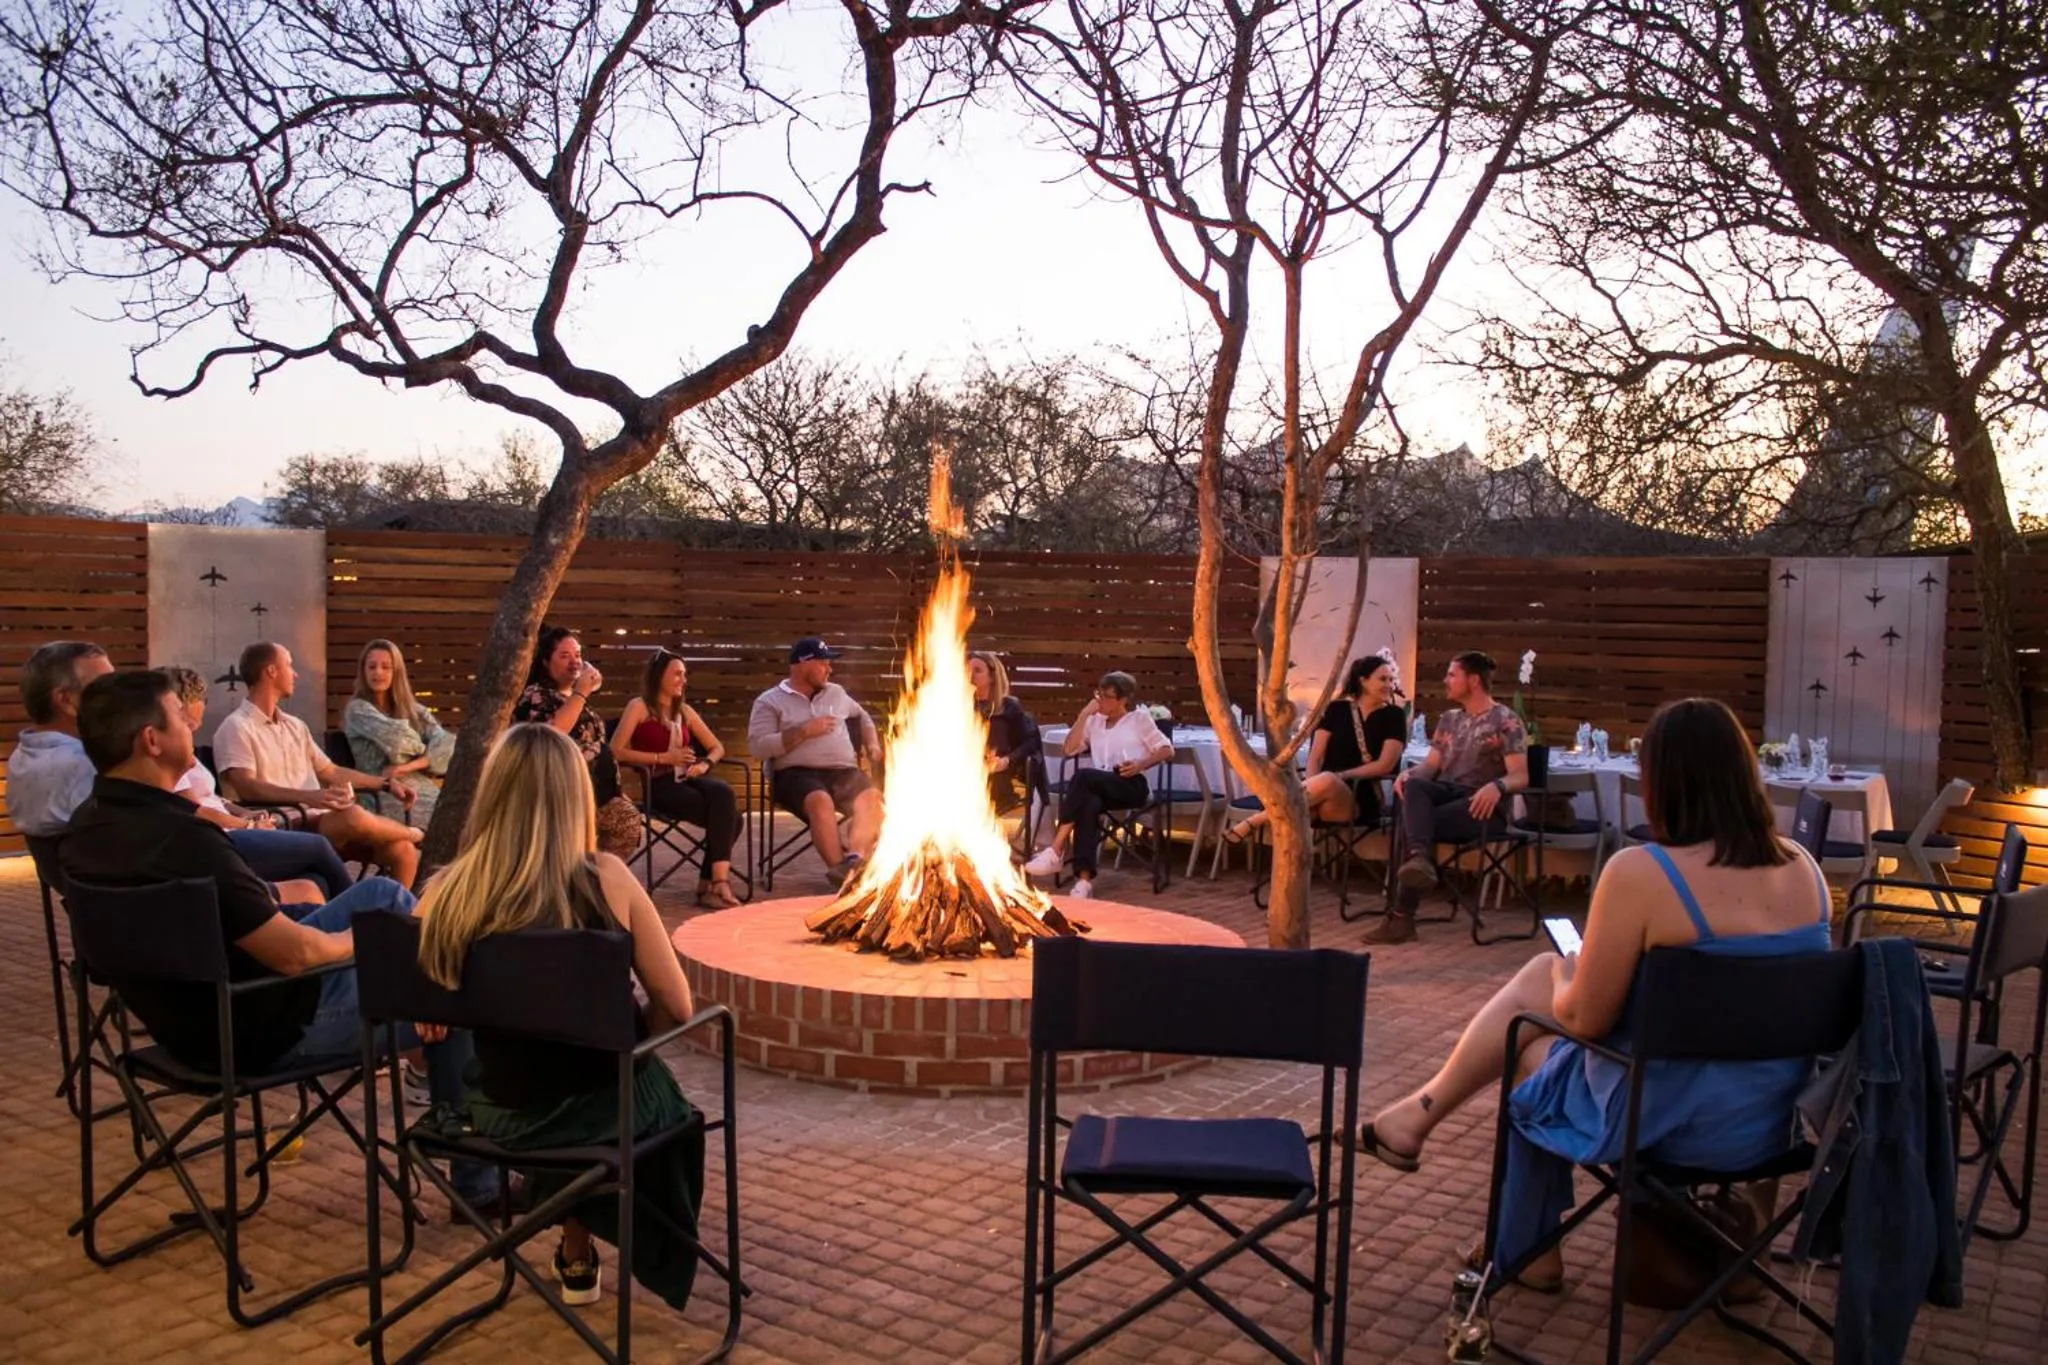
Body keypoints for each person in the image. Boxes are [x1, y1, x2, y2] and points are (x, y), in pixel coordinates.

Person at [1353, 697, 1833, 1290]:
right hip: (1771, 1122)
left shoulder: (1641, 874)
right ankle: (1747, 1246)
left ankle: (1525, 1243)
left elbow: (1584, 1020)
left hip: (1657, 1123)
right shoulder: (1806, 871)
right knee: (1550, 1006)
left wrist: (1564, 974)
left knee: (1532, 1039)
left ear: (1661, 782)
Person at [57, 670, 496, 1203]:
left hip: (184, 1025)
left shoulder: (85, 830)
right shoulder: (186, 841)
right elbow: (296, 956)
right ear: (151, 740)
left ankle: (427, 1014)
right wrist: (380, 945)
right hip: (264, 1025)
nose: (189, 728)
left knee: (381, 897)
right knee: (463, 987)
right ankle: (479, 1182)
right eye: (178, 717)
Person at [415, 723, 704, 1311]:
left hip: (501, 1113)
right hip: (600, 1107)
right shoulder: (608, 880)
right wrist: (631, 1043)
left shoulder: (447, 890)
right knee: (639, 1097)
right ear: (577, 796)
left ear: (493, 794)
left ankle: (574, 1243)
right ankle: (594, 1242)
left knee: (553, 1083)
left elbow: (421, 993)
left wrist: (434, 1010)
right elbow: (677, 1006)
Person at [213, 642, 425, 888]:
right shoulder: (236, 727)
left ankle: (393, 922)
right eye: (289, 665)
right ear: (271, 671)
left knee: (403, 851)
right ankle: (417, 833)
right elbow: (247, 787)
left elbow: (330, 771)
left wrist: (385, 784)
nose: (295, 674)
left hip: (322, 824)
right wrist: (311, 797)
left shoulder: (295, 725)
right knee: (353, 815)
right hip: (284, 827)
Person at [1367, 649, 1531, 945]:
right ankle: (1419, 859)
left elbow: (1520, 775)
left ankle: (1401, 917)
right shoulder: (1449, 719)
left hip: (1482, 808)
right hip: (1447, 796)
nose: (1446, 680)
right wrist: (1410, 775)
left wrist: (1497, 787)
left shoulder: (1505, 720)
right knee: (1413, 789)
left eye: (1452, 675)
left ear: (1474, 681)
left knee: (1411, 822)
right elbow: (1432, 766)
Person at [160, 665, 350, 902]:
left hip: (231, 830)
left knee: (315, 881)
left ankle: (332, 930)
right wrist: (246, 826)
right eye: (188, 726)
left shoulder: (185, 754)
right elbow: (195, 810)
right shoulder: (166, 758)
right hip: (220, 840)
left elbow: (211, 797)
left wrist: (247, 815)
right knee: (319, 847)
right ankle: (362, 920)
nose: (192, 734)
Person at [1223, 654, 1406, 845]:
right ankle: (1289, 869)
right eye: (1383, 679)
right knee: (1303, 808)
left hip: (1359, 799)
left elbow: (1384, 766)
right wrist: (1313, 783)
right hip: (1319, 794)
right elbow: (1315, 757)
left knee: (1319, 786)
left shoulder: (1394, 716)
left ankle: (1254, 821)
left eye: (1391, 679)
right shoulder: (1336, 710)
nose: (1389, 684)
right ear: (1363, 681)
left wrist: (1341, 776)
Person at [1022, 671, 1173, 899]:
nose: (1100, 700)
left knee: (1083, 778)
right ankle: (1083, 882)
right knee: (1088, 802)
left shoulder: (1139, 720)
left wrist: (1141, 764)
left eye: (1107, 697)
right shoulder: (1094, 721)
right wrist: (1084, 714)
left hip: (1131, 784)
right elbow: (1069, 750)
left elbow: (1167, 749)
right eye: (1098, 695)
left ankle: (1055, 849)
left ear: (1123, 700)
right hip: (1099, 786)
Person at [609, 649, 742, 907]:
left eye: (685, 674)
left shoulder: (685, 711)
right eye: (677, 674)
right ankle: (712, 886)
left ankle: (716, 884)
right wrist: (663, 758)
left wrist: (704, 765)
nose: (684, 679)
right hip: (659, 785)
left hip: (688, 779)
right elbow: (615, 750)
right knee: (731, 820)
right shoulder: (639, 707)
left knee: (723, 794)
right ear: (659, 676)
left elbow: (717, 747)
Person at [747, 637, 883, 887]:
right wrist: (804, 731)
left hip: (843, 772)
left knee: (872, 799)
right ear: (802, 664)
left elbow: (862, 717)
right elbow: (758, 746)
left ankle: (854, 859)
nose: (829, 669)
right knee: (821, 801)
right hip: (794, 775)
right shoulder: (770, 701)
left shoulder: (836, 693)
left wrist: (872, 744)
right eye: (823, 663)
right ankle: (841, 872)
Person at [513, 625, 641, 860]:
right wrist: (581, 692)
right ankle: (577, 884)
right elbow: (551, 737)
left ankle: (594, 882)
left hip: (597, 793)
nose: (575, 663)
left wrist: (616, 790)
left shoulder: (574, 697)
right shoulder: (536, 695)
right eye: (564, 656)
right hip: (559, 795)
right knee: (577, 843)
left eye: (578, 655)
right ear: (545, 662)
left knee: (627, 824)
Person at [5, 640, 114, 836]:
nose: (118, 695)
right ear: (65, 700)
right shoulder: (84, 765)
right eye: (104, 686)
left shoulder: (20, 757)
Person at [343, 638, 454, 828]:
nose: (378, 672)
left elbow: (448, 746)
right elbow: (399, 742)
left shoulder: (413, 710)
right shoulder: (358, 710)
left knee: (464, 812)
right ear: (363, 672)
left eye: (386, 667)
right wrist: (426, 749)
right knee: (454, 823)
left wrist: (406, 768)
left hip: (420, 787)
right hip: (384, 794)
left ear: (397, 672)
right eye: (372, 667)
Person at [972, 650, 1041, 815]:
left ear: (992, 677)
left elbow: (1031, 743)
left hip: (1000, 770)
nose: (971, 675)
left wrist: (1007, 760)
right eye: (967, 670)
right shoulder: (958, 704)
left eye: (978, 670)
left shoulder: (1009, 706)